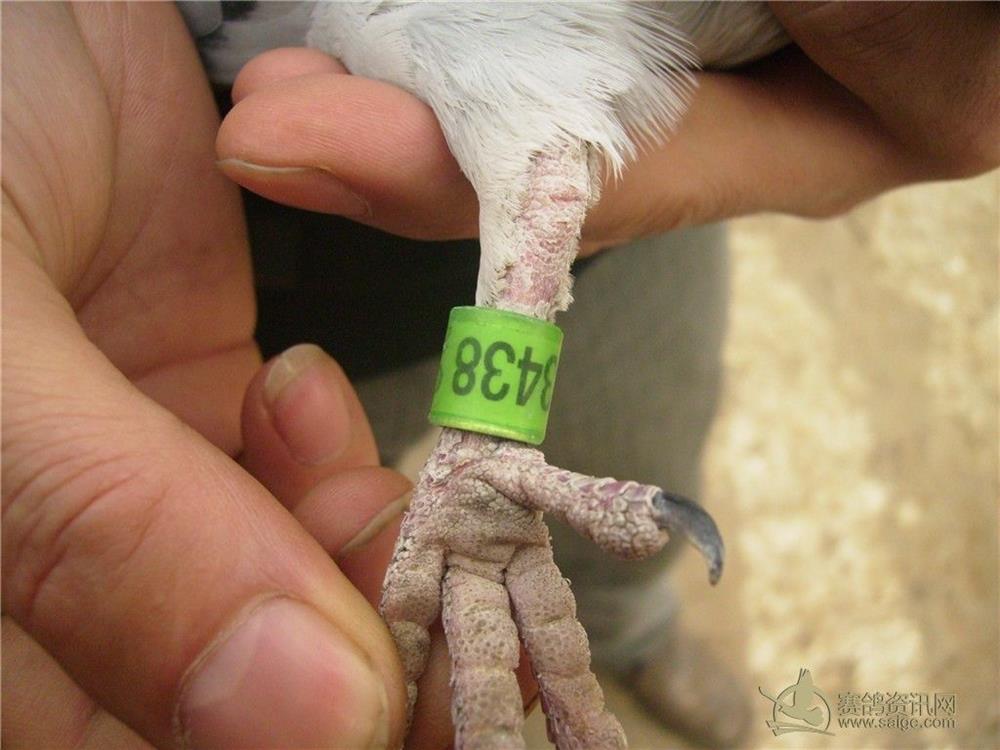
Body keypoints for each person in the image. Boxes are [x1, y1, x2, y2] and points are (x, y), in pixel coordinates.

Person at [3, 3, 996, 749]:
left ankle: (632, 632)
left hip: (623, 191)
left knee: (642, 443)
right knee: (315, 484)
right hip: (185, 230)